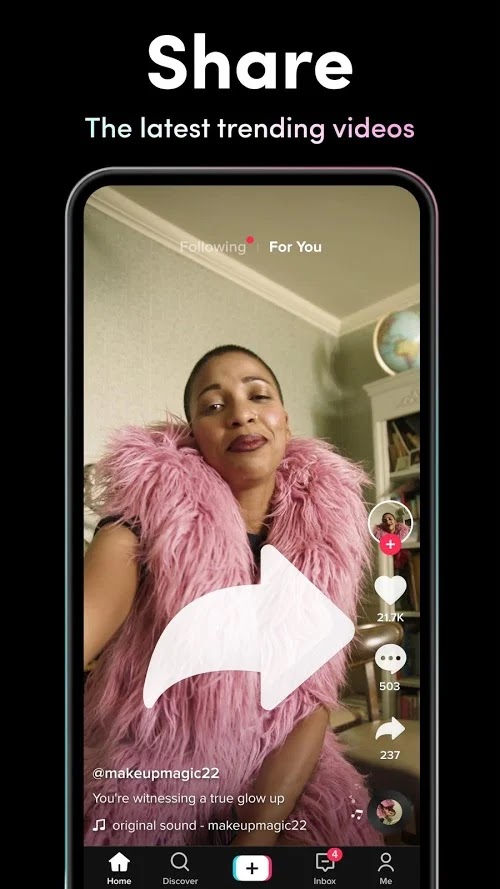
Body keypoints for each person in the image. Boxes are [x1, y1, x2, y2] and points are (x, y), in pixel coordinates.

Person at [84, 344, 382, 848]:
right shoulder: (141, 528)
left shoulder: (327, 544)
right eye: (214, 405)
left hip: (286, 767)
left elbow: (312, 701)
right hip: (159, 776)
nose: (241, 413)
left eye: (258, 396)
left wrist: (253, 840)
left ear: (285, 422)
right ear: (194, 436)